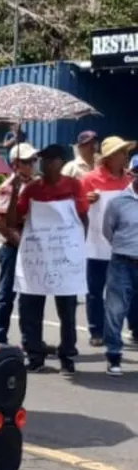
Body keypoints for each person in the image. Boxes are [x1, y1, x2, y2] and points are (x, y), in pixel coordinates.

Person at [12, 144, 89, 375]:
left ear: (61, 162)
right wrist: (15, 192)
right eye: (43, 159)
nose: (45, 164)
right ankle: (35, 355)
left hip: (64, 256)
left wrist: (78, 248)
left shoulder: (74, 186)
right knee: (30, 308)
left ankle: (67, 355)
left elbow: (83, 217)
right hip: (37, 257)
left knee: (67, 311)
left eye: (50, 159)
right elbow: (13, 220)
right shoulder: (32, 189)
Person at [80, 136, 134, 347]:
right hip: (97, 245)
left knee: (129, 289)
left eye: (126, 152)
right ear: (109, 157)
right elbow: (76, 207)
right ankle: (97, 330)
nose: (125, 156)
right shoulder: (89, 179)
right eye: (122, 153)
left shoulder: (130, 180)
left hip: (126, 245)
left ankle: (133, 327)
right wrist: (86, 200)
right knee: (95, 290)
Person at [0, 143, 37, 345]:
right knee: (7, 294)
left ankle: (30, 339)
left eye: (34, 160)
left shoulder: (35, 184)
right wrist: (17, 241)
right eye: (27, 161)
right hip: (12, 247)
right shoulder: (9, 186)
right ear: (16, 164)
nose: (33, 164)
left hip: (31, 245)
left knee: (29, 296)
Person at [101, 154, 138, 377]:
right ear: (132, 174)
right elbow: (108, 230)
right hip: (123, 261)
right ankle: (113, 355)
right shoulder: (118, 202)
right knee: (115, 309)